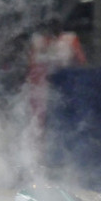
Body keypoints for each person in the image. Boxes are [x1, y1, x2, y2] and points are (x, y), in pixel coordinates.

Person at [23, 17, 86, 166]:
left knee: (64, 122)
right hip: (41, 89)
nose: (53, 32)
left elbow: (81, 62)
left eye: (56, 29)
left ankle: (63, 159)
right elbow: (31, 66)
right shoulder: (38, 42)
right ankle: (38, 159)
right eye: (50, 29)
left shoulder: (70, 40)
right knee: (39, 125)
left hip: (63, 88)